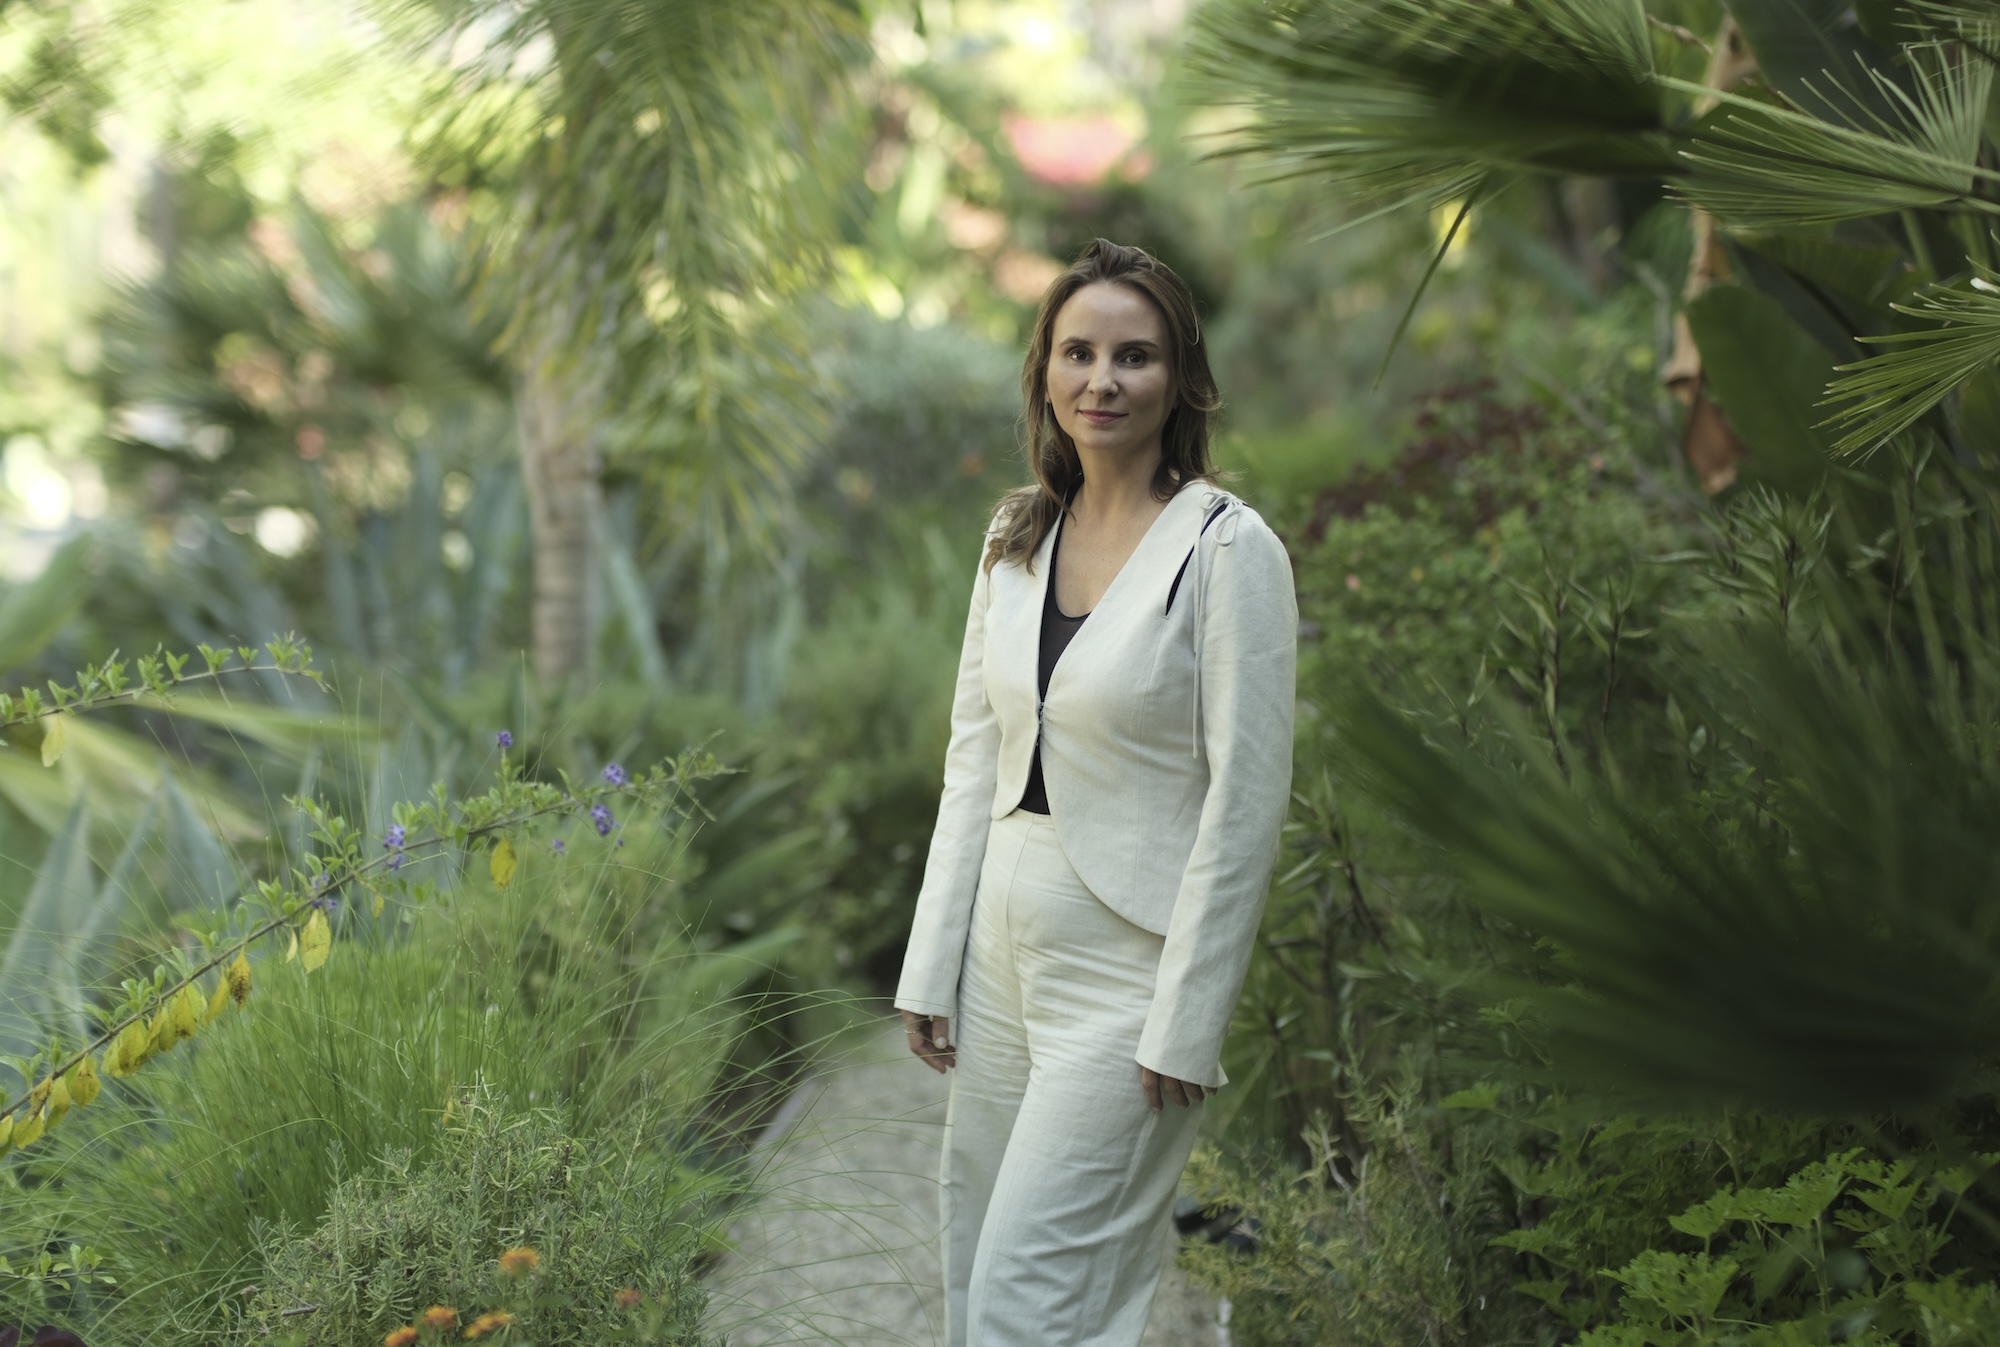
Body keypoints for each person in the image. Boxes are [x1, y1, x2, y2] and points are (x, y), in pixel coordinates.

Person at [894, 238, 1297, 1347]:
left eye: (1134, 356)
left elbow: (1246, 799)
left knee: (1035, 1293)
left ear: (1181, 380)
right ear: (1045, 374)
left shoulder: (1226, 549)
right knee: (979, 1263)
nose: (1102, 380)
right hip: (997, 951)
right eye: (1077, 353)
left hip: (1128, 972)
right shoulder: (1014, 535)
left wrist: (1190, 1012)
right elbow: (970, 755)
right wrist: (932, 957)